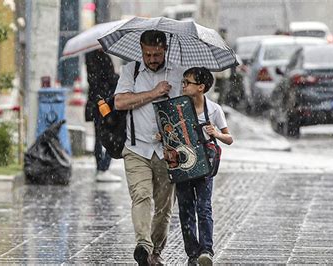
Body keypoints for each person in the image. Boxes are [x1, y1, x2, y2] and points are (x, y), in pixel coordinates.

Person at [114, 30, 186, 265]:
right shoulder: (131, 71)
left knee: (164, 207)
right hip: (136, 149)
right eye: (148, 54)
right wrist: (154, 93)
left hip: (168, 152)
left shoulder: (177, 74)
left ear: (165, 49)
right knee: (141, 196)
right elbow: (120, 102)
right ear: (141, 50)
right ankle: (143, 246)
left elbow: (187, 109)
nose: (152, 59)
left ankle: (155, 252)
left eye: (157, 54)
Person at [177, 67, 233, 265]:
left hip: (205, 166)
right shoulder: (178, 107)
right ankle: (192, 252)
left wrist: (216, 133)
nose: (183, 86)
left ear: (201, 87)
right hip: (182, 166)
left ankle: (206, 250)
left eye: (187, 83)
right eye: (183, 82)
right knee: (185, 209)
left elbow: (229, 138)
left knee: (203, 207)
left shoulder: (214, 110)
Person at [84, 49, 122, 182]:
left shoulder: (89, 57)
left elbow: (94, 81)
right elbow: (110, 79)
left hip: (95, 102)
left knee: (98, 136)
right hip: (104, 103)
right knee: (112, 135)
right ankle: (103, 168)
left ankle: (100, 167)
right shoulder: (102, 58)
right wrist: (117, 76)